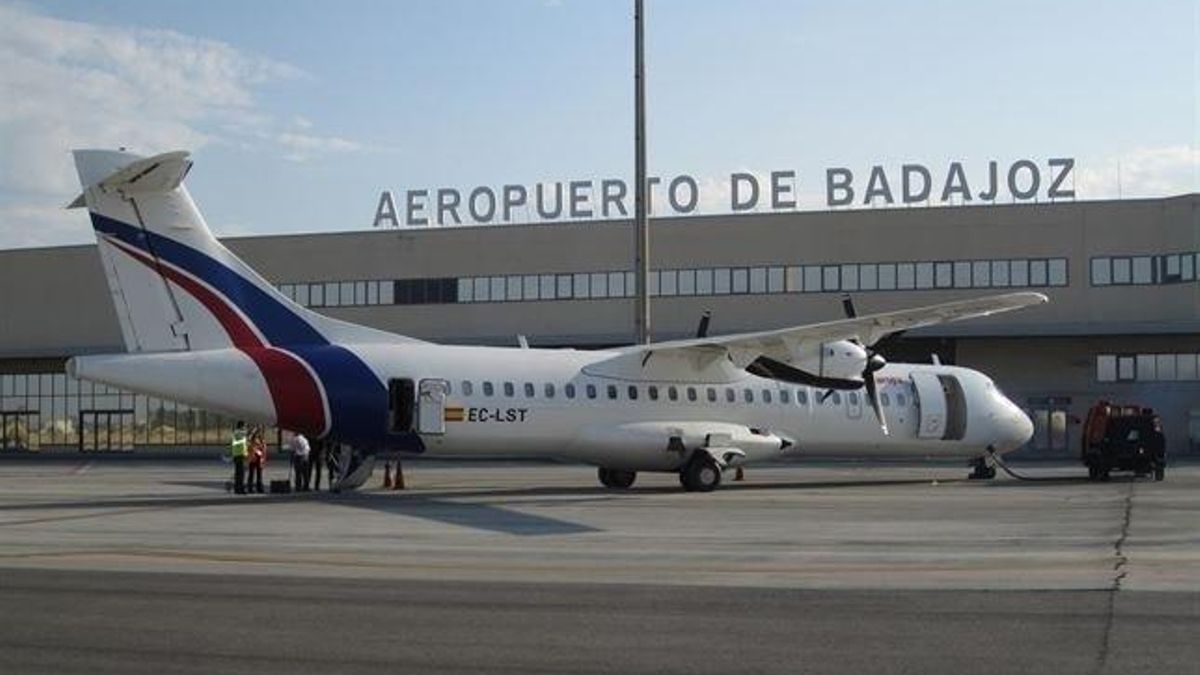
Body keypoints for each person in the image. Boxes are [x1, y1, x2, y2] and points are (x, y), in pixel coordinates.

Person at [229, 421, 248, 495]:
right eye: (244, 426)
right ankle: (240, 489)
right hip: (239, 455)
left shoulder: (237, 433)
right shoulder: (238, 433)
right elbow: (242, 440)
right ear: (241, 426)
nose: (245, 428)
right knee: (241, 474)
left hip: (238, 455)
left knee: (238, 473)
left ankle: (238, 488)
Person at [246, 427, 267, 494]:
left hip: (259, 459)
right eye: (258, 433)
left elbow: (263, 449)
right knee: (252, 474)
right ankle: (250, 488)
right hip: (253, 459)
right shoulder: (252, 440)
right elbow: (252, 448)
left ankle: (259, 487)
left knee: (259, 474)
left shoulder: (261, 440)